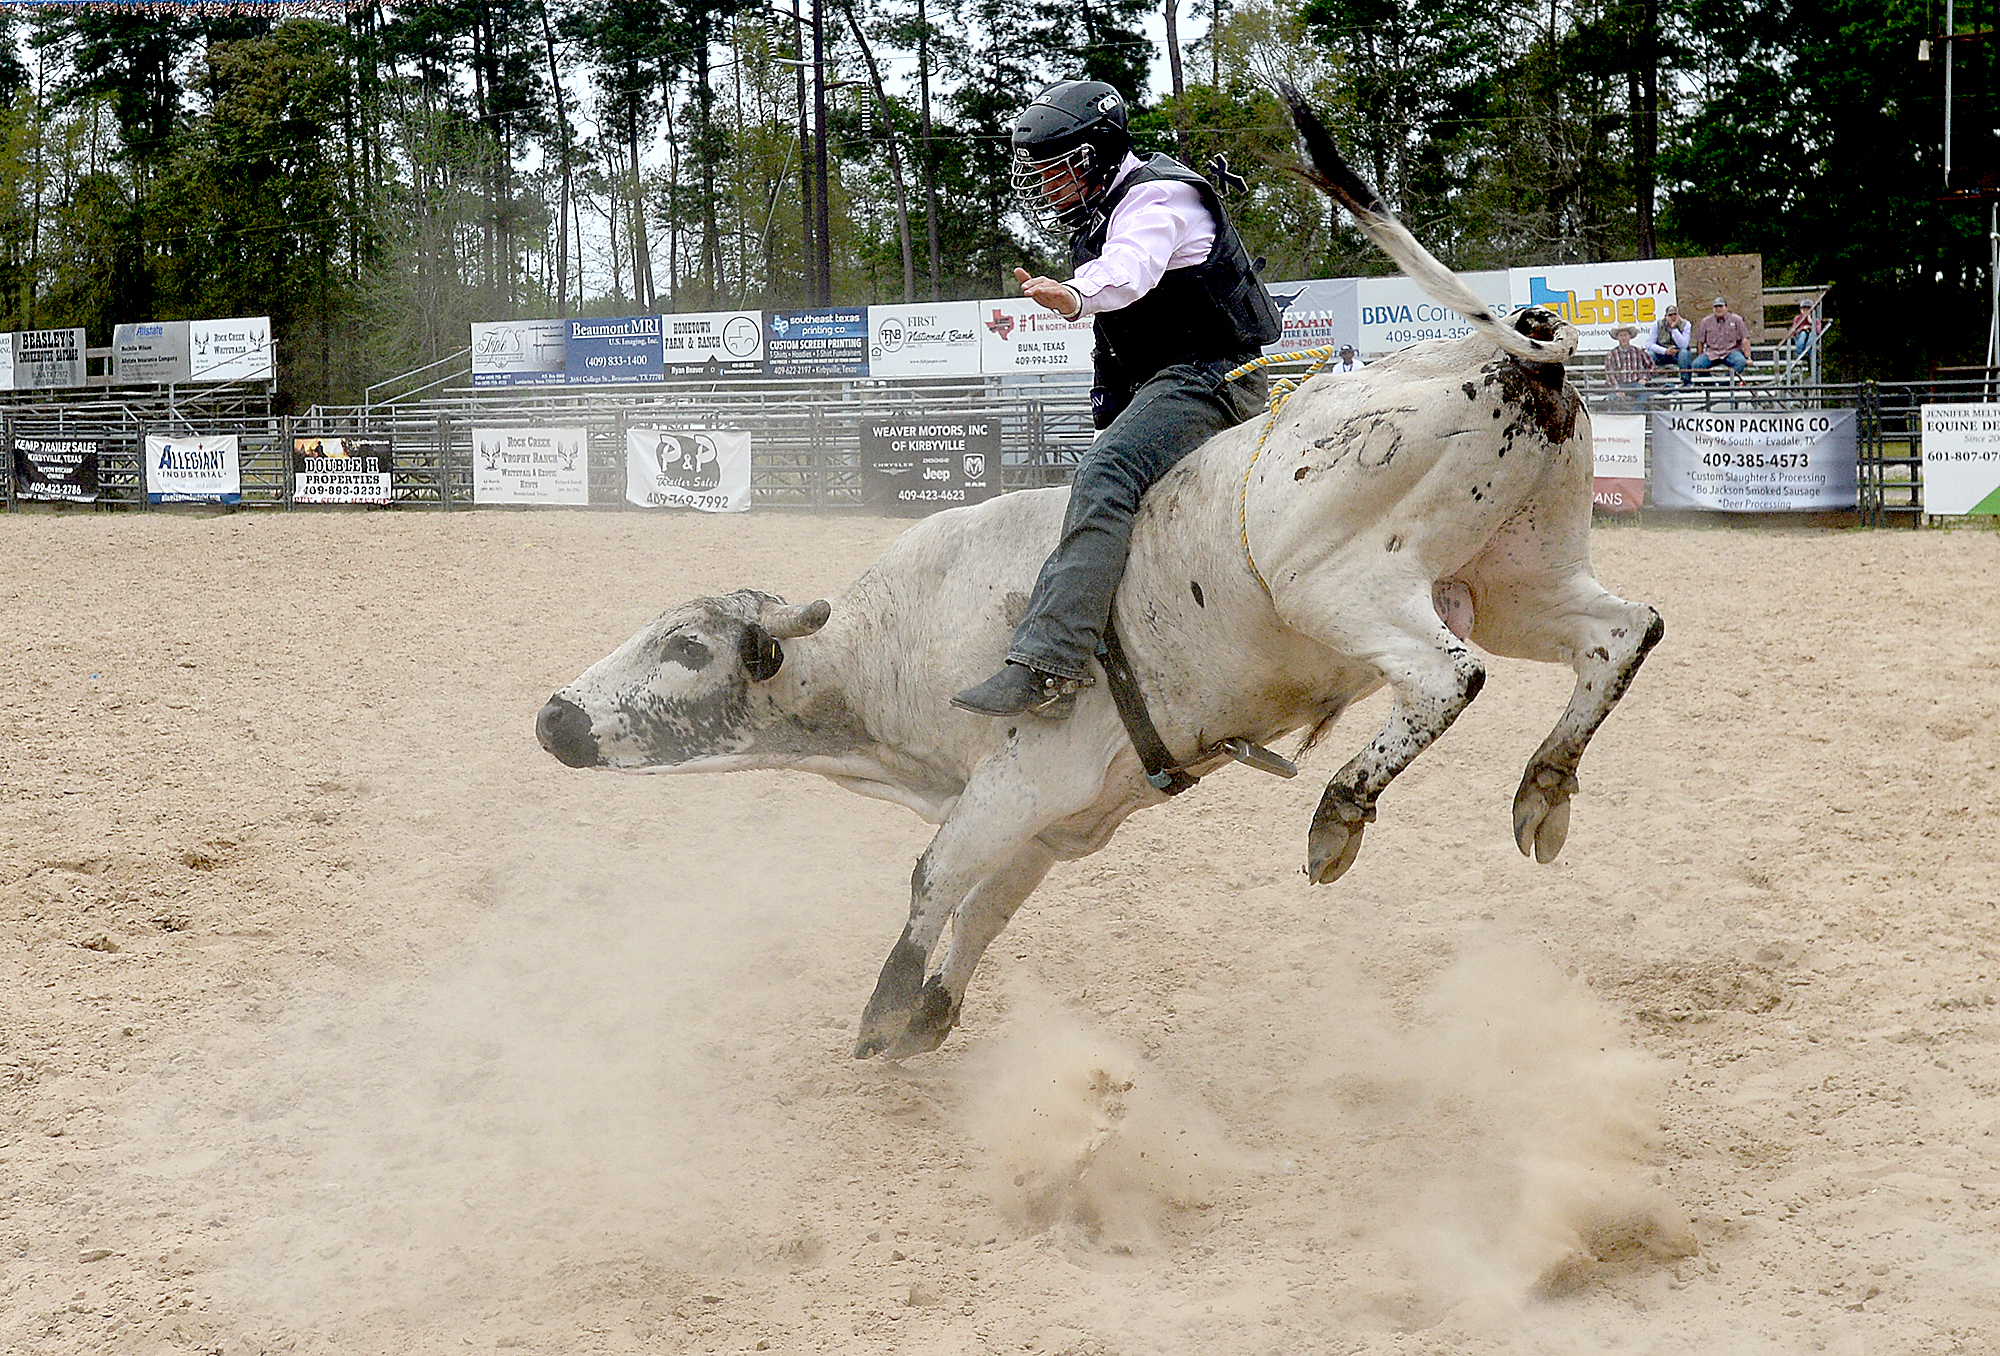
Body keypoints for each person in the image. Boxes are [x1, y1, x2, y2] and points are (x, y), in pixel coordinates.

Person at [951, 79, 1281, 719]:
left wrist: (1074, 295)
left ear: (1093, 158)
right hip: (1178, 376)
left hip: (1214, 374)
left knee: (1106, 473)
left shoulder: (1157, 199)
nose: (1044, 189)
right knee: (1101, 477)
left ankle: (1051, 662)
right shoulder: (1109, 208)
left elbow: (1130, 274)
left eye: (1053, 174)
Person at [1680, 295, 1750, 383]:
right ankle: (1711, 385)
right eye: (1716, 307)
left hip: (1731, 352)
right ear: (1712, 309)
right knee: (1697, 365)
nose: (1718, 309)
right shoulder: (1706, 321)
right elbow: (1700, 342)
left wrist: (1748, 357)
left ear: (1726, 307)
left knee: (1740, 362)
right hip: (1711, 353)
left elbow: (1745, 338)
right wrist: (1700, 355)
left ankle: (1724, 383)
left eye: (1721, 306)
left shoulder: (1737, 320)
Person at [1602, 324, 1651, 402]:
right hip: (1619, 384)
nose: (1623, 338)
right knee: (1612, 399)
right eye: (1621, 336)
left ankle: (1637, 412)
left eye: (1625, 335)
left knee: (1645, 393)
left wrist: (1644, 378)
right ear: (1618, 338)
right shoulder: (1612, 354)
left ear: (1629, 336)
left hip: (1635, 384)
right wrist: (1617, 389)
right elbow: (1609, 374)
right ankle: (1616, 414)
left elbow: (1651, 365)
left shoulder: (1638, 351)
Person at [1646, 305, 1690, 373]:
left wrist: (1674, 329)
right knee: (1650, 354)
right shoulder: (1657, 324)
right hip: (1662, 354)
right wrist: (1665, 351)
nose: (1673, 317)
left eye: (1675, 314)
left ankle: (1686, 381)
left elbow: (1684, 345)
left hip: (1677, 354)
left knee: (1684, 353)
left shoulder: (1686, 324)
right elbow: (1649, 344)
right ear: (1666, 316)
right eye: (1670, 315)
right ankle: (1648, 380)